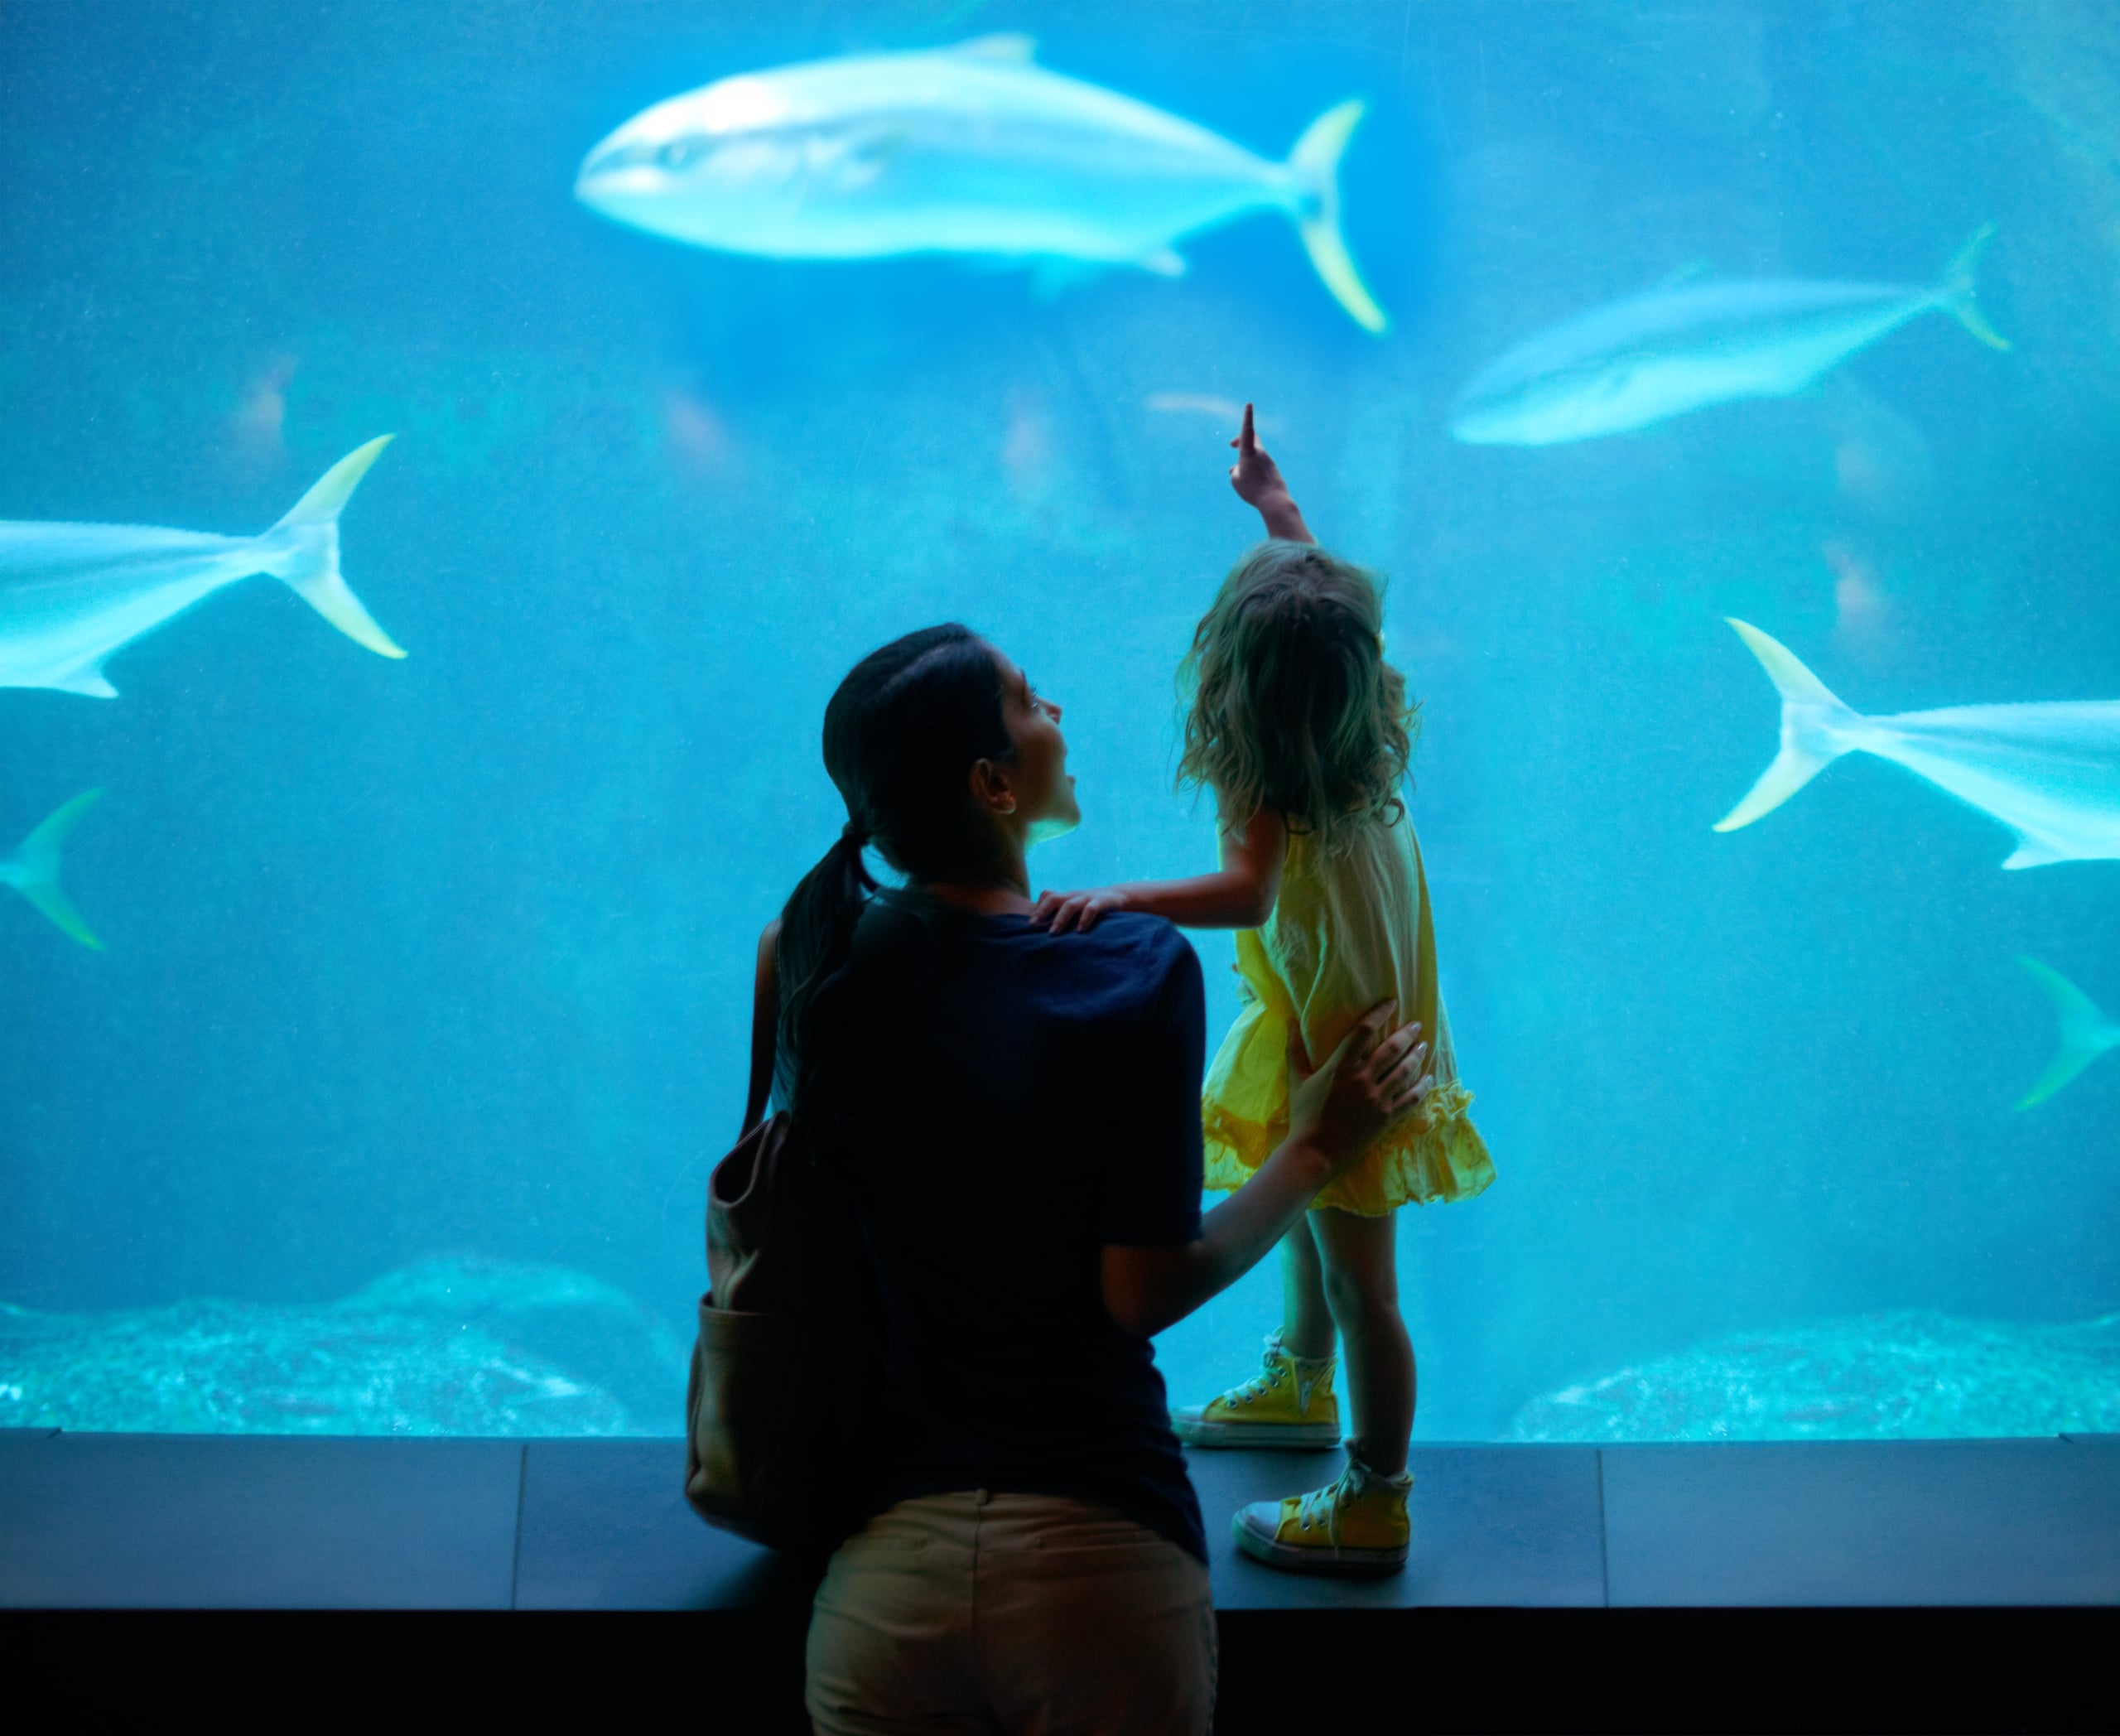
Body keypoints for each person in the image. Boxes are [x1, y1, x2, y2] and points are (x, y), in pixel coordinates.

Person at [766, 622, 1432, 1734]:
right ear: (990, 784)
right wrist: (1316, 1144)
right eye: (1030, 703)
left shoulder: (812, 955)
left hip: (880, 1580)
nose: (1056, 716)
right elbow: (1144, 1292)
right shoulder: (1129, 973)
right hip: (1100, 1567)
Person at [1032, 405, 1494, 1575]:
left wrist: (1123, 896)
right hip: (1358, 1011)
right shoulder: (1367, 716)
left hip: (1357, 1053)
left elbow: (1244, 897)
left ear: (1233, 681)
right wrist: (1276, 506)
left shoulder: (1267, 780)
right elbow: (1325, 608)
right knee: (1307, 1218)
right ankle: (1300, 1379)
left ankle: (1378, 1496)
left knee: (1363, 1278)